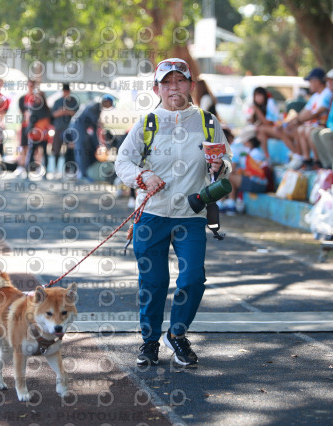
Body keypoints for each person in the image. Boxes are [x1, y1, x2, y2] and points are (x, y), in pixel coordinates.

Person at [115, 58, 232, 367]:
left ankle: (176, 335)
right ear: (157, 88)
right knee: (153, 283)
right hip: (151, 214)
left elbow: (227, 160)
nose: (173, 88)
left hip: (191, 214)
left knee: (193, 277)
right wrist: (143, 177)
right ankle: (150, 342)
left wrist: (221, 166)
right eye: (166, 83)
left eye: (179, 81)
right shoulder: (147, 123)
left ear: (190, 85)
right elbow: (122, 162)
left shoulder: (207, 121)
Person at [297, 67, 333, 169]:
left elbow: (323, 113)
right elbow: (331, 119)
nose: (329, 83)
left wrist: (298, 120)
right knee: (312, 132)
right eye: (329, 80)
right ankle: (312, 161)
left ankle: (325, 163)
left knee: (317, 133)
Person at [68, 94, 114, 182]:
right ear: (106, 101)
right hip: (77, 127)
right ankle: (82, 175)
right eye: (110, 104)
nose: (109, 107)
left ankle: (86, 173)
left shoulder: (98, 107)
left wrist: (97, 144)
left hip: (82, 128)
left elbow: (94, 127)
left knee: (86, 148)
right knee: (81, 150)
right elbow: (95, 124)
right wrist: (98, 143)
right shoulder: (95, 105)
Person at [227, 136, 272, 214]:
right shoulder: (250, 151)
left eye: (245, 142)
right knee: (229, 178)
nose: (244, 143)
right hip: (260, 183)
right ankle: (231, 205)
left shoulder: (235, 149)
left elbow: (231, 170)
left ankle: (230, 205)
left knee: (227, 176)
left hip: (257, 183)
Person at [51, 83, 80, 178]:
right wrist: (60, 112)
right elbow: (53, 114)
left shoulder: (73, 101)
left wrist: (67, 111)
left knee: (70, 150)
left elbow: (77, 114)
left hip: (70, 129)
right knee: (56, 149)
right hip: (59, 128)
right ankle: (55, 170)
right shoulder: (58, 101)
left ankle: (69, 170)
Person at [25, 90, 53, 179]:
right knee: (31, 153)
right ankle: (27, 172)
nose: (37, 99)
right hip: (35, 135)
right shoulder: (35, 108)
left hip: (43, 135)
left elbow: (50, 121)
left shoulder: (46, 109)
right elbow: (31, 122)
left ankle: (45, 173)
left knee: (44, 154)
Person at [248, 86, 282, 158]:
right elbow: (254, 121)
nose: (258, 98)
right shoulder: (258, 106)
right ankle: (265, 156)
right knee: (258, 132)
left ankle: (266, 156)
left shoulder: (270, 102)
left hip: (278, 129)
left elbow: (268, 123)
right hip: (267, 131)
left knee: (260, 129)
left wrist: (257, 111)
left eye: (260, 95)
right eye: (256, 95)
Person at [15, 79, 37, 176]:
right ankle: (22, 165)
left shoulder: (37, 98)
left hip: (34, 126)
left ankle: (33, 166)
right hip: (25, 125)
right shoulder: (23, 98)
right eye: (29, 85)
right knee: (23, 146)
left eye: (32, 85)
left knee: (34, 148)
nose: (30, 87)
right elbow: (22, 111)